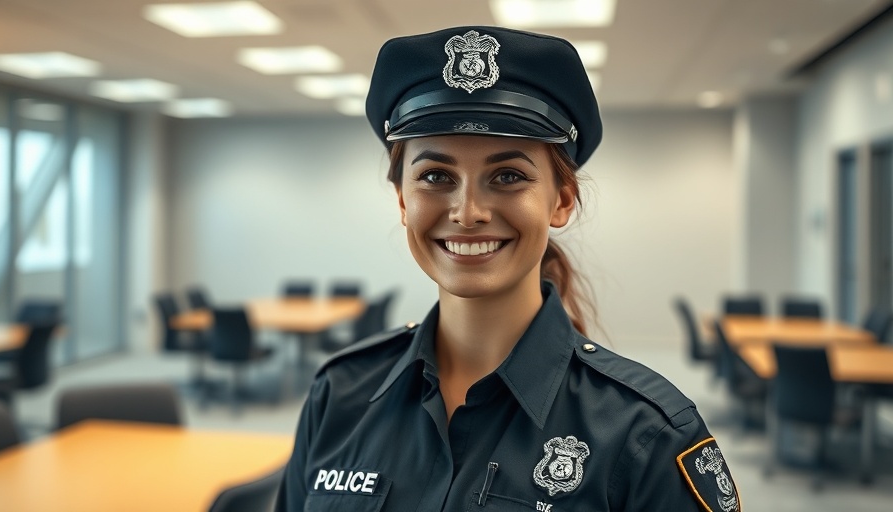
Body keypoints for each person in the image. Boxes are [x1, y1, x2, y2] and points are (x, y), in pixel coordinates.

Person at [275, 26, 740, 512]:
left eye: (508, 176)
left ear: (560, 202)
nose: (468, 211)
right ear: (402, 202)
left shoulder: (646, 433)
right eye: (436, 176)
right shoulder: (340, 393)